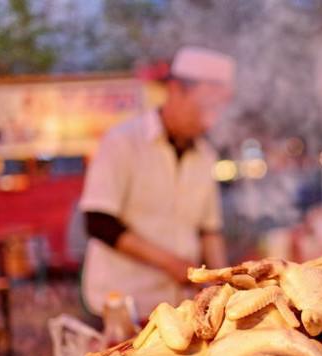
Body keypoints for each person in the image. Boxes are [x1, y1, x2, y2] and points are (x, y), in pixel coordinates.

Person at [80, 46, 235, 319]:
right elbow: (98, 221)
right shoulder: (123, 142)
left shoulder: (205, 156)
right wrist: (170, 264)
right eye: (205, 107)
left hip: (178, 308)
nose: (211, 121)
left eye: (218, 110)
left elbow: (209, 230)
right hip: (122, 305)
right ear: (175, 90)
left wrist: (226, 285)